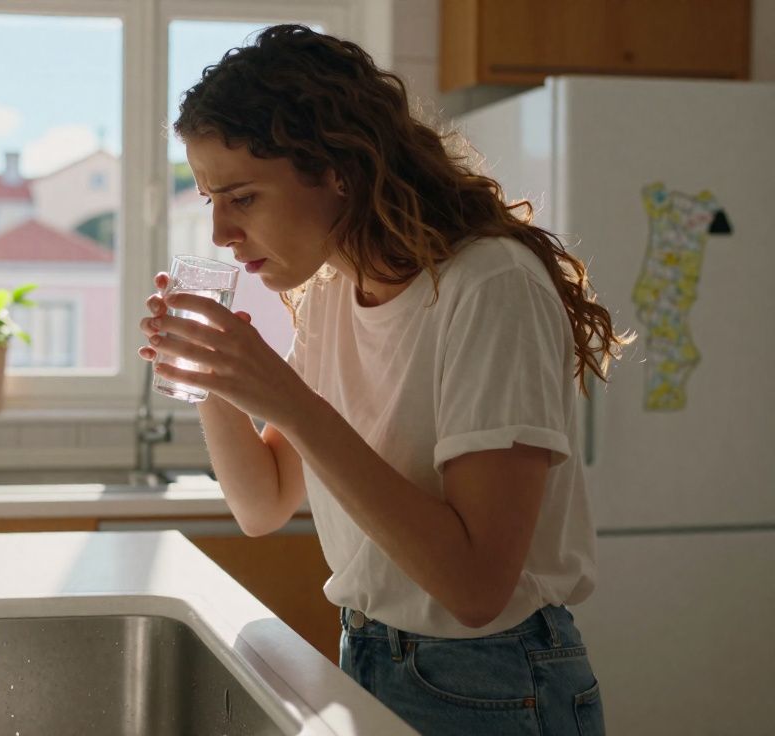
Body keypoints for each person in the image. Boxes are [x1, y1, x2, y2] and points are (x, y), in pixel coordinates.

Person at [139, 25, 627, 736]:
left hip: (493, 681)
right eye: (210, 198)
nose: (218, 232)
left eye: (242, 197)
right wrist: (211, 373)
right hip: (369, 653)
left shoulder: (489, 285)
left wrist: (288, 400)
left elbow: (476, 588)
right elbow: (263, 503)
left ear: (338, 169)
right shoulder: (335, 293)